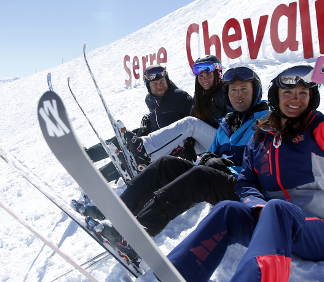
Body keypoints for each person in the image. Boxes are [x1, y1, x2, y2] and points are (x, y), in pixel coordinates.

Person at [114, 57, 324, 282]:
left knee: (277, 209)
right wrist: (254, 204)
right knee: (227, 210)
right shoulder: (262, 136)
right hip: (274, 222)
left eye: (302, 94)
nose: (295, 99)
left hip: (318, 228)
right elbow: (247, 181)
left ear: (312, 97)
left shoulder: (317, 131)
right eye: (288, 93)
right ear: (277, 96)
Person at [75, 66, 268, 240]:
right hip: (217, 177)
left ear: (256, 91)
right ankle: (114, 213)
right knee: (165, 164)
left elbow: (265, 166)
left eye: (244, 89)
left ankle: (137, 235)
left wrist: (225, 164)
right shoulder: (228, 123)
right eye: (233, 90)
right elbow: (213, 153)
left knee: (199, 174)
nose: (237, 95)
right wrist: (207, 157)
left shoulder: (266, 122)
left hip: (244, 189)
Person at [85, 64, 193, 182]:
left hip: (169, 145)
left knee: (129, 157)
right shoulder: (150, 99)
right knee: (123, 138)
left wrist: (189, 144)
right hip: (153, 134)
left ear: (167, 79)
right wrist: (149, 120)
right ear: (148, 86)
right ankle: (88, 155)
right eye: (155, 84)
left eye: (162, 81)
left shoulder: (181, 97)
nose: (160, 86)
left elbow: (195, 122)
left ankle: (94, 179)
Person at [127, 54, 230, 167]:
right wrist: (189, 144)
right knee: (174, 138)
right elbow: (196, 118)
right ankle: (148, 163)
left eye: (208, 75)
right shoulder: (200, 95)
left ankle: (144, 147)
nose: (204, 79)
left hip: (228, 144)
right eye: (200, 76)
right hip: (211, 143)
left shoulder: (227, 92)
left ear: (218, 73)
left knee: (189, 123)